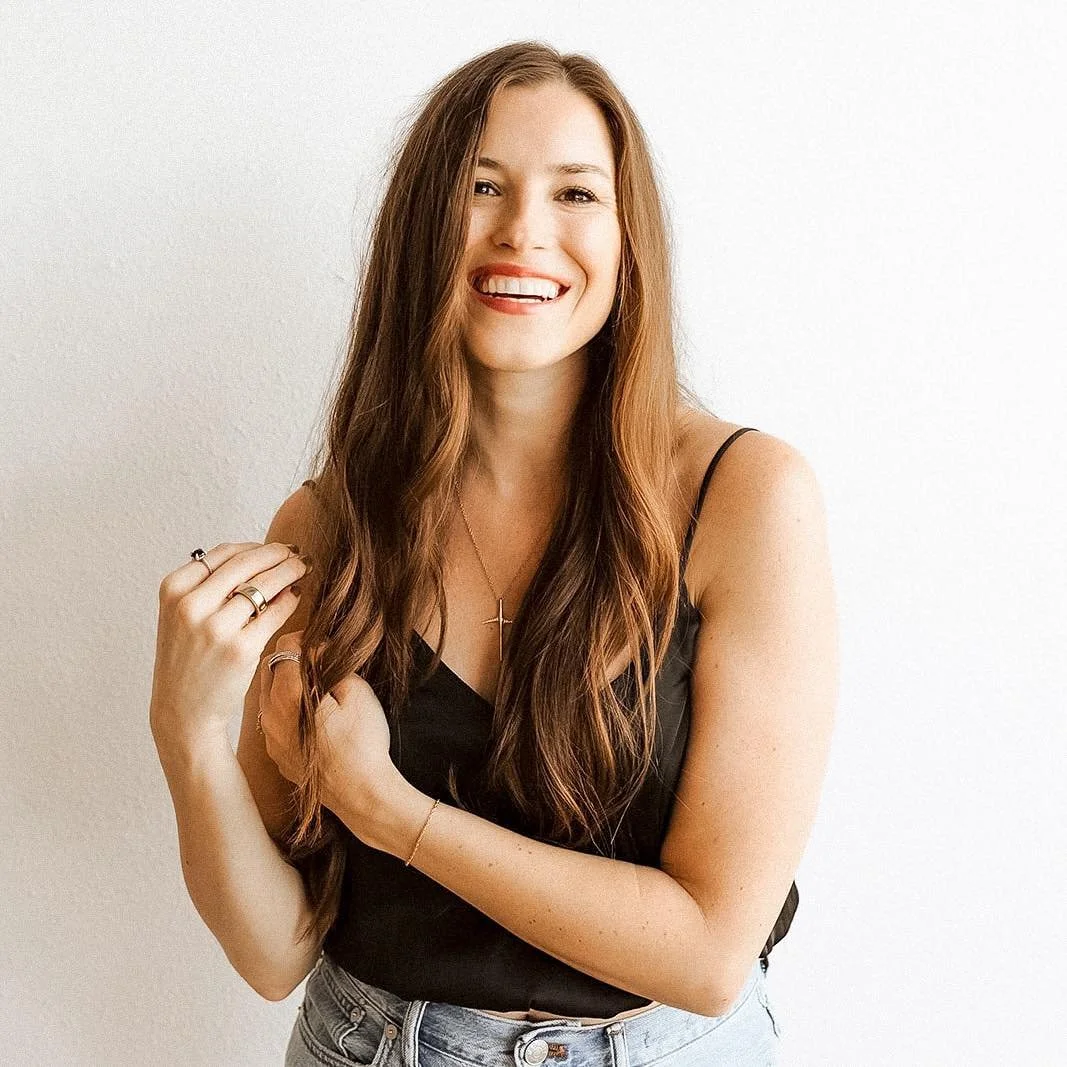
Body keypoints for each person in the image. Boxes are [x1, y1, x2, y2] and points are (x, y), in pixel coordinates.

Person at [150, 41, 837, 1066]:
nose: (523, 230)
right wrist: (188, 733)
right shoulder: (329, 526)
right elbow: (274, 947)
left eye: (575, 193)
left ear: (628, 241)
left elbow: (705, 952)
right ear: (422, 225)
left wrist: (391, 811)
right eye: (482, 186)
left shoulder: (744, 498)